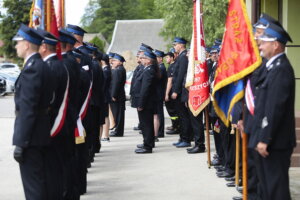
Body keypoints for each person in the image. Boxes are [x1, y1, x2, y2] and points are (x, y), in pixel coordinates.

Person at [251, 22, 296, 200]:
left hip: (275, 142)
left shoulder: (281, 69)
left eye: (264, 41)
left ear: (276, 44)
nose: (260, 45)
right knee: (268, 190)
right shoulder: (272, 67)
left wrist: (265, 138)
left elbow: (275, 108)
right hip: (270, 140)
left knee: (277, 191)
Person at [12, 24, 55, 200]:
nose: (16, 46)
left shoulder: (32, 68)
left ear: (27, 44)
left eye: (18, 43)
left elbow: (28, 109)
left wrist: (21, 143)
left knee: (33, 186)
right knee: (40, 182)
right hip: (40, 132)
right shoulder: (42, 65)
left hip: (32, 138)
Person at [37, 28, 69, 200]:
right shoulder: (56, 64)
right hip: (56, 121)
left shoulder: (53, 66)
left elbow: (50, 100)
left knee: (53, 168)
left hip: (54, 123)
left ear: (44, 46)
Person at [133, 50, 159, 153]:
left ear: (148, 60)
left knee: (146, 124)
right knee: (146, 124)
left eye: (143, 58)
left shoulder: (149, 70)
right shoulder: (147, 69)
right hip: (147, 101)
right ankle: (148, 142)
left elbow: (145, 89)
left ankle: (147, 146)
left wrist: (141, 103)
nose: (141, 59)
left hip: (146, 102)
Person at [171, 37, 192, 148]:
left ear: (181, 45)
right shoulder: (180, 56)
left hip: (180, 91)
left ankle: (186, 139)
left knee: (184, 117)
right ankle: (182, 137)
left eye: (175, 45)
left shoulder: (183, 57)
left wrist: (176, 90)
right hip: (178, 90)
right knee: (181, 116)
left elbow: (181, 75)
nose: (174, 47)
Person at [109, 53, 126, 137]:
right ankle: (118, 130)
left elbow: (116, 84)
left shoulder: (118, 70)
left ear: (120, 62)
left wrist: (113, 95)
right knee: (118, 113)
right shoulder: (119, 69)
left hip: (117, 96)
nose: (113, 62)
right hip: (119, 95)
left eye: (115, 60)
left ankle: (118, 131)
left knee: (118, 114)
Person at [153, 49, 167, 139]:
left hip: (159, 93)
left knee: (159, 113)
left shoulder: (161, 68)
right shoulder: (159, 67)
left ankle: (160, 131)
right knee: (158, 112)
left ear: (160, 58)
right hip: (158, 92)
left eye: (156, 58)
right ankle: (159, 130)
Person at [100, 54, 112, 141]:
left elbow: (103, 85)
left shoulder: (106, 70)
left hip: (104, 95)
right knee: (105, 116)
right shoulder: (106, 69)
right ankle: (105, 134)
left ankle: (106, 135)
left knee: (105, 116)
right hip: (105, 95)